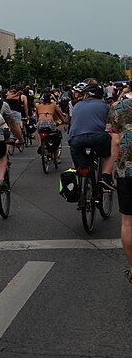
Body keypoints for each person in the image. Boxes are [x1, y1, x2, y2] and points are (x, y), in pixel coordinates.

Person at [68, 81, 115, 191]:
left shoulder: (77, 105)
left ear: (86, 95)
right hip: (99, 138)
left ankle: (80, 186)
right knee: (109, 152)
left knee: (81, 166)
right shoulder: (106, 106)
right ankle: (106, 176)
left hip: (76, 139)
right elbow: (110, 126)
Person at [107, 89, 132, 282]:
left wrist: (114, 168)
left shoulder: (117, 107)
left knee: (128, 222)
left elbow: (115, 142)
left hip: (127, 171)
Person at [35, 92, 67, 164]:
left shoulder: (38, 106)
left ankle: (40, 145)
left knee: (39, 133)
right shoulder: (53, 105)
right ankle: (56, 159)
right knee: (56, 138)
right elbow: (60, 114)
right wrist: (63, 121)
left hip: (40, 122)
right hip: (50, 122)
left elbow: (37, 116)